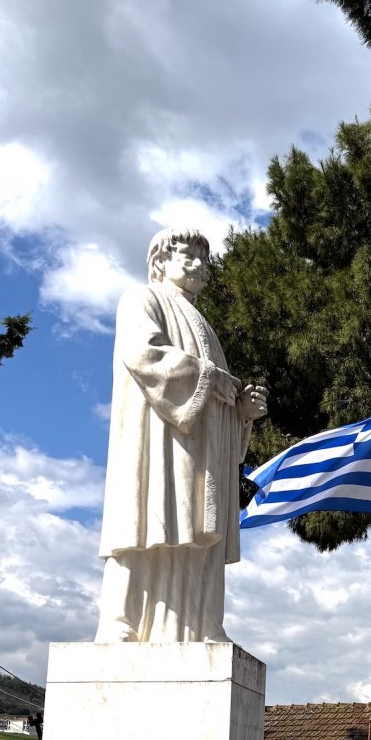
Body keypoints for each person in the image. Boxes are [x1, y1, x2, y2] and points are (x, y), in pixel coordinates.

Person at [95, 228, 268, 643]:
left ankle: (200, 624)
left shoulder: (205, 326)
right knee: (145, 524)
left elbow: (218, 398)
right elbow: (143, 354)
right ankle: (122, 620)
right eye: (187, 256)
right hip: (157, 440)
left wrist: (242, 413)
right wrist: (210, 378)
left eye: (204, 260)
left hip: (201, 451)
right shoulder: (142, 299)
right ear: (160, 262)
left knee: (194, 530)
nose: (198, 265)